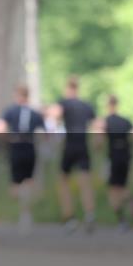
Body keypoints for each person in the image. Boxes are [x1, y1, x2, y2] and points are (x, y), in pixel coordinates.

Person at [0, 84, 45, 235]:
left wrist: (6, 139)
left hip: (15, 147)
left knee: (15, 184)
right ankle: (26, 211)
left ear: (17, 95)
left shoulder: (10, 111)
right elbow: (43, 133)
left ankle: (22, 211)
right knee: (29, 181)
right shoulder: (35, 113)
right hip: (30, 147)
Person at [47, 76, 96, 233]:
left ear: (68, 88)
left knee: (63, 181)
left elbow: (54, 114)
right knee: (85, 182)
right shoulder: (86, 105)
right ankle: (89, 214)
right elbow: (97, 125)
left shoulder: (64, 103)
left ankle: (70, 217)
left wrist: (53, 131)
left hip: (70, 145)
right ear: (78, 88)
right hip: (83, 144)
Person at [95, 95, 133, 232]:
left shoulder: (105, 121)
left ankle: (121, 219)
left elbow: (99, 141)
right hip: (125, 155)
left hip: (113, 156)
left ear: (108, 105)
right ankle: (129, 198)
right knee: (122, 185)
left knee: (113, 189)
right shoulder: (125, 121)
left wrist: (98, 145)